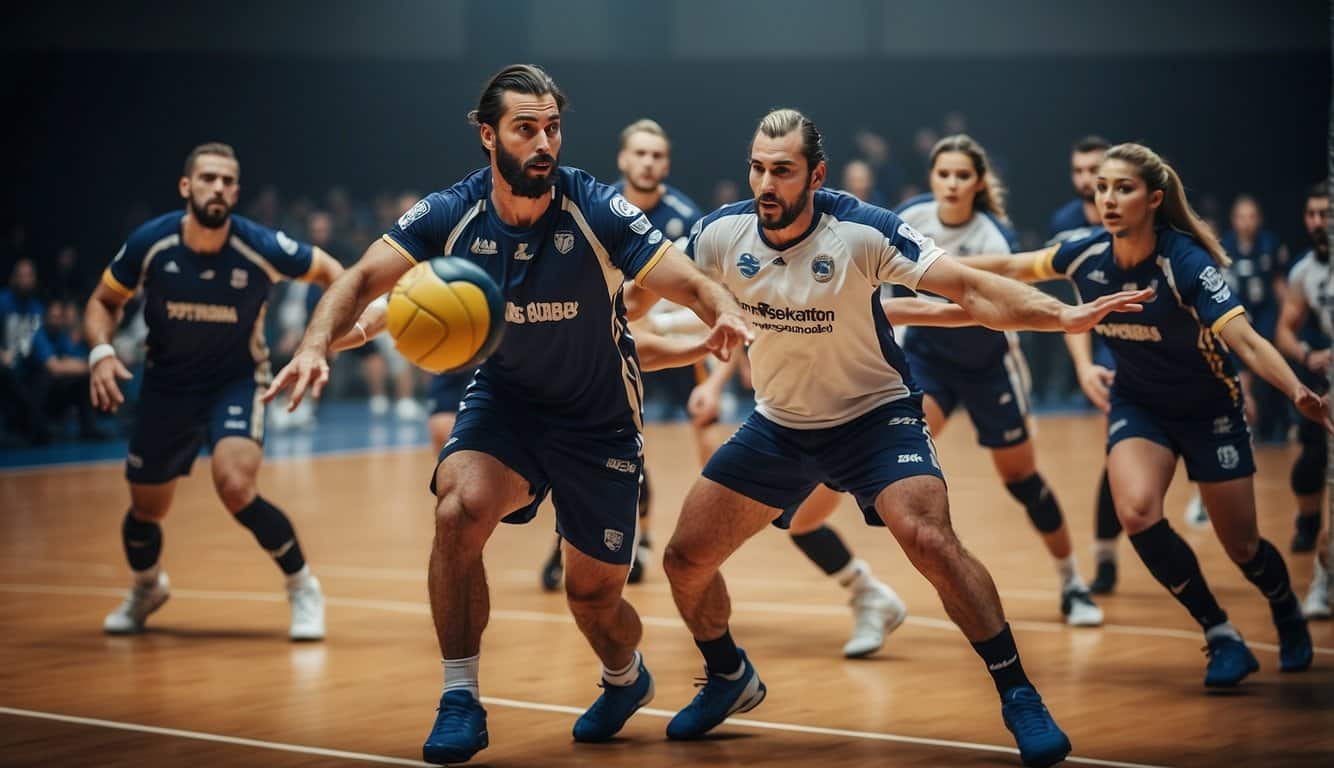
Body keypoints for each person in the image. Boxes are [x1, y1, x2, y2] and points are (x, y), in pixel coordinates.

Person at [265, 65, 749, 764]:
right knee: (457, 508)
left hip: (598, 420)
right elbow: (362, 278)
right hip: (507, 404)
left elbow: (686, 278)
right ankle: (460, 695)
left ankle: (625, 677)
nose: (544, 141)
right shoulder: (451, 213)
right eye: (527, 128)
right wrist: (317, 344)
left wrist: (722, 306)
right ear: (488, 136)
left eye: (552, 127)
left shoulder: (595, 207)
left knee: (594, 601)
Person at [662, 109, 1150, 768]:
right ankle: (728, 676)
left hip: (874, 416)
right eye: (758, 167)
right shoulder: (723, 232)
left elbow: (973, 289)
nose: (766, 183)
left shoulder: (864, 231)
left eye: (783, 170)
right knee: (685, 559)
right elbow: (648, 291)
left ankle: (1018, 693)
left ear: (816, 175)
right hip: (779, 423)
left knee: (928, 536)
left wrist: (1061, 315)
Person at [970, 143, 1322, 688]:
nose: (1107, 198)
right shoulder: (1084, 253)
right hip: (1139, 405)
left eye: (1123, 188)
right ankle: (1221, 633)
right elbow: (1014, 267)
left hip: (1209, 410)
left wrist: (1296, 388)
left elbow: (1246, 342)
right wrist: (925, 266)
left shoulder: (1185, 262)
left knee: (1243, 546)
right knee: (1136, 511)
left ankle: (1285, 610)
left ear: (1154, 199)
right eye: (1102, 187)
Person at [85, 142, 343, 641]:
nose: (218, 188)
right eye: (207, 178)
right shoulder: (152, 243)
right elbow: (103, 300)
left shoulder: (259, 246)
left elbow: (333, 272)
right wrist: (101, 351)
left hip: (237, 381)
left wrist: (323, 336)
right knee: (145, 512)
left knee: (236, 485)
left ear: (237, 191)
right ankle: (146, 588)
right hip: (167, 385)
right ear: (187, 186)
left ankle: (303, 586)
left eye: (227, 181)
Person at [893, 135, 1101, 626]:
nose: (952, 183)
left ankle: (1072, 581)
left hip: (989, 365)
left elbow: (1001, 303)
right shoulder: (911, 218)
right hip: (928, 360)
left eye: (963, 175)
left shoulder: (995, 235)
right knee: (902, 448)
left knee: (1022, 481)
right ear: (932, 177)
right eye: (944, 174)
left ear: (979, 182)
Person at [539, 118, 708, 590]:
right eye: (640, 153)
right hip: (596, 342)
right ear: (623, 159)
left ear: (666, 164)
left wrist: (709, 371)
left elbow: (698, 292)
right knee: (579, 445)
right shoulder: (597, 206)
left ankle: (642, 541)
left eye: (657, 155)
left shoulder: (685, 218)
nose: (648, 162)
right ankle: (568, 543)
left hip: (662, 337)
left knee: (634, 446)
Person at [1274, 182, 1333, 615]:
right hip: (1326, 389)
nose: (1318, 223)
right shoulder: (1304, 272)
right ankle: (1309, 524)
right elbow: (1284, 330)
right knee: (1307, 473)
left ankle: (1323, 579)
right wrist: (1308, 354)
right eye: (1311, 215)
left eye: (1325, 214)